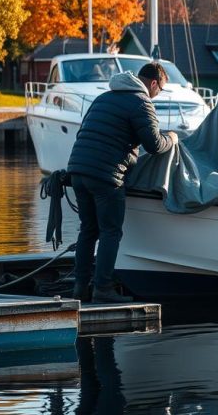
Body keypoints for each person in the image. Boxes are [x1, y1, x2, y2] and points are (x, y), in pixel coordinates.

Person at [66, 62, 177, 303]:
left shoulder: (104, 97)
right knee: (110, 231)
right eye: (160, 90)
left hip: (78, 170)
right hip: (106, 176)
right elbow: (154, 145)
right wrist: (172, 138)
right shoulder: (141, 101)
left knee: (88, 230)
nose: (157, 95)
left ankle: (79, 288)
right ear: (154, 84)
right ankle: (103, 289)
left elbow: (83, 133)